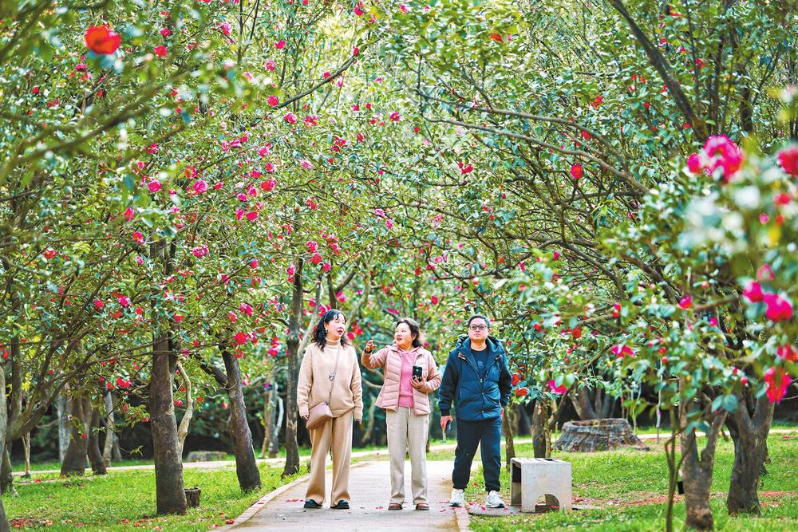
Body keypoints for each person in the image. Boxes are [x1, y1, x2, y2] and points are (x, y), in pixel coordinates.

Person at [362, 317, 441, 510]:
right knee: (396, 455)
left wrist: (424, 386)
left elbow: (436, 379)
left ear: (413, 335)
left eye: (403, 331)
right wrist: (367, 352)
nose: (398, 334)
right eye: (397, 331)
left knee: (418, 456)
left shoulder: (425, 355)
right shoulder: (389, 352)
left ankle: (420, 498)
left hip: (418, 410)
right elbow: (370, 363)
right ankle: (396, 498)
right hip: (395, 409)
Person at [438, 314, 512, 509]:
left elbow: (506, 381)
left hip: (491, 414)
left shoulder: (497, 354)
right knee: (464, 454)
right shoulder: (457, 355)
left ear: (488, 330)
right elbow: (447, 386)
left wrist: (501, 403)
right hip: (467, 413)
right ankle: (458, 491)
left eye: (481, 326)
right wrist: (445, 411)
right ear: (468, 331)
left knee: (492, 455)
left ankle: (493, 493)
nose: (477, 330)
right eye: (473, 327)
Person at [297, 309, 363, 510]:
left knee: (342, 456)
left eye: (343, 322)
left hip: (344, 409)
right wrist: (302, 404)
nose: (340, 325)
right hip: (319, 410)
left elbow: (356, 382)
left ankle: (340, 497)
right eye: (336, 321)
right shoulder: (313, 350)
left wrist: (358, 408)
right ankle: (315, 496)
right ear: (325, 325)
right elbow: (304, 380)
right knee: (318, 454)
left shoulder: (349, 351)